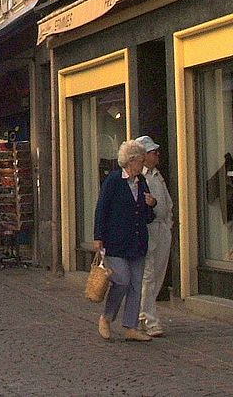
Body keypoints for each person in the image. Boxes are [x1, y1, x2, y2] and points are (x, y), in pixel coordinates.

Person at [93, 138, 157, 342]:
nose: (143, 163)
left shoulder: (142, 181)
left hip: (137, 241)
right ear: (131, 161)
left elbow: (148, 216)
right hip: (116, 242)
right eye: (140, 160)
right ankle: (106, 317)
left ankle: (130, 326)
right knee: (121, 281)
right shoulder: (113, 181)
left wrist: (151, 203)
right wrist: (98, 237)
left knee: (136, 285)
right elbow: (102, 209)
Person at [137, 135, 173, 337]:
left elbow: (167, 202)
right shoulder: (138, 177)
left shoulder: (158, 175)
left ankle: (146, 314)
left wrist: (168, 223)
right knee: (148, 275)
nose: (157, 155)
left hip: (161, 229)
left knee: (157, 273)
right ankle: (148, 318)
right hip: (148, 230)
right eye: (153, 153)